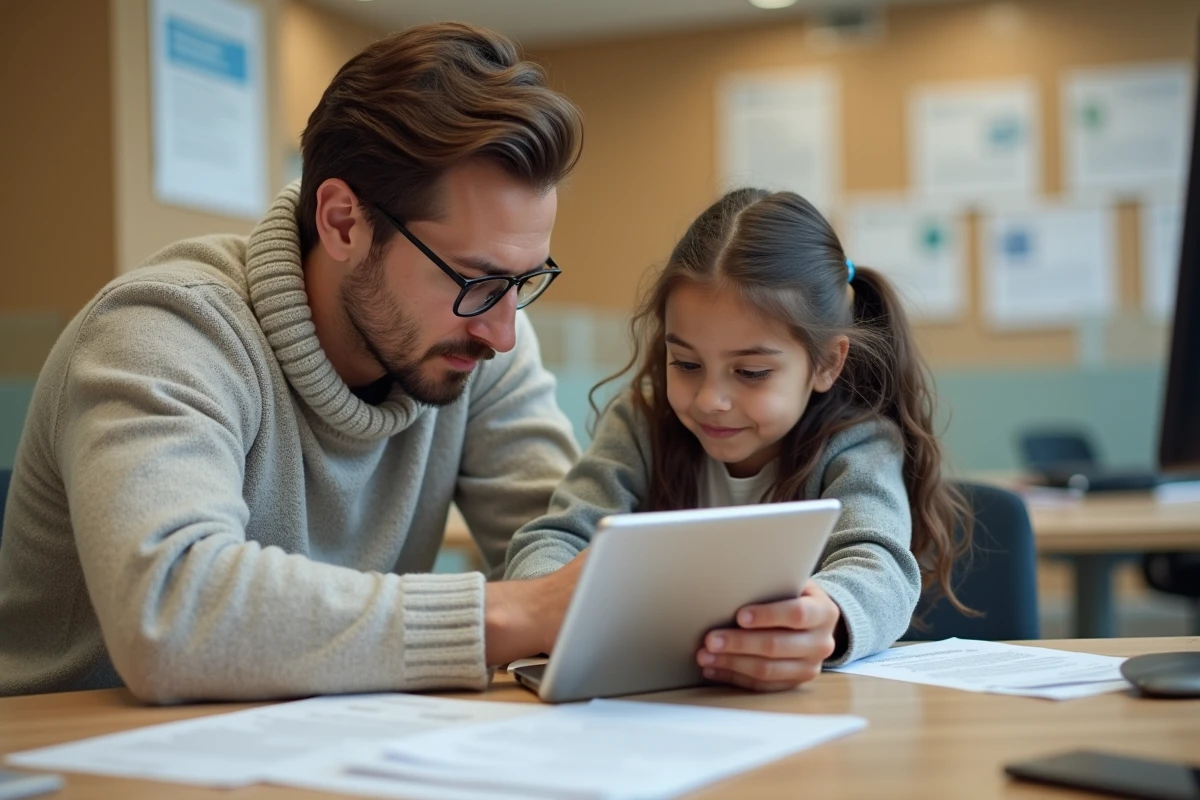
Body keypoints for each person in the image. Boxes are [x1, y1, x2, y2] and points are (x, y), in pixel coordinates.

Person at [0, 22, 589, 701]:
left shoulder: (476, 339)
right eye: (474, 280)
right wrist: (508, 616)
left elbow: (556, 540)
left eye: (522, 282)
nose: (503, 330)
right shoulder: (163, 329)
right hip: (84, 753)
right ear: (343, 222)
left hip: (320, 746)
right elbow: (168, 613)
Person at [506, 188, 973, 692]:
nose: (710, 400)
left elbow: (879, 564)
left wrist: (827, 618)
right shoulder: (641, 423)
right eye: (685, 364)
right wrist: (548, 608)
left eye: (751, 372)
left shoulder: (858, 442)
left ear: (827, 364)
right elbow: (554, 539)